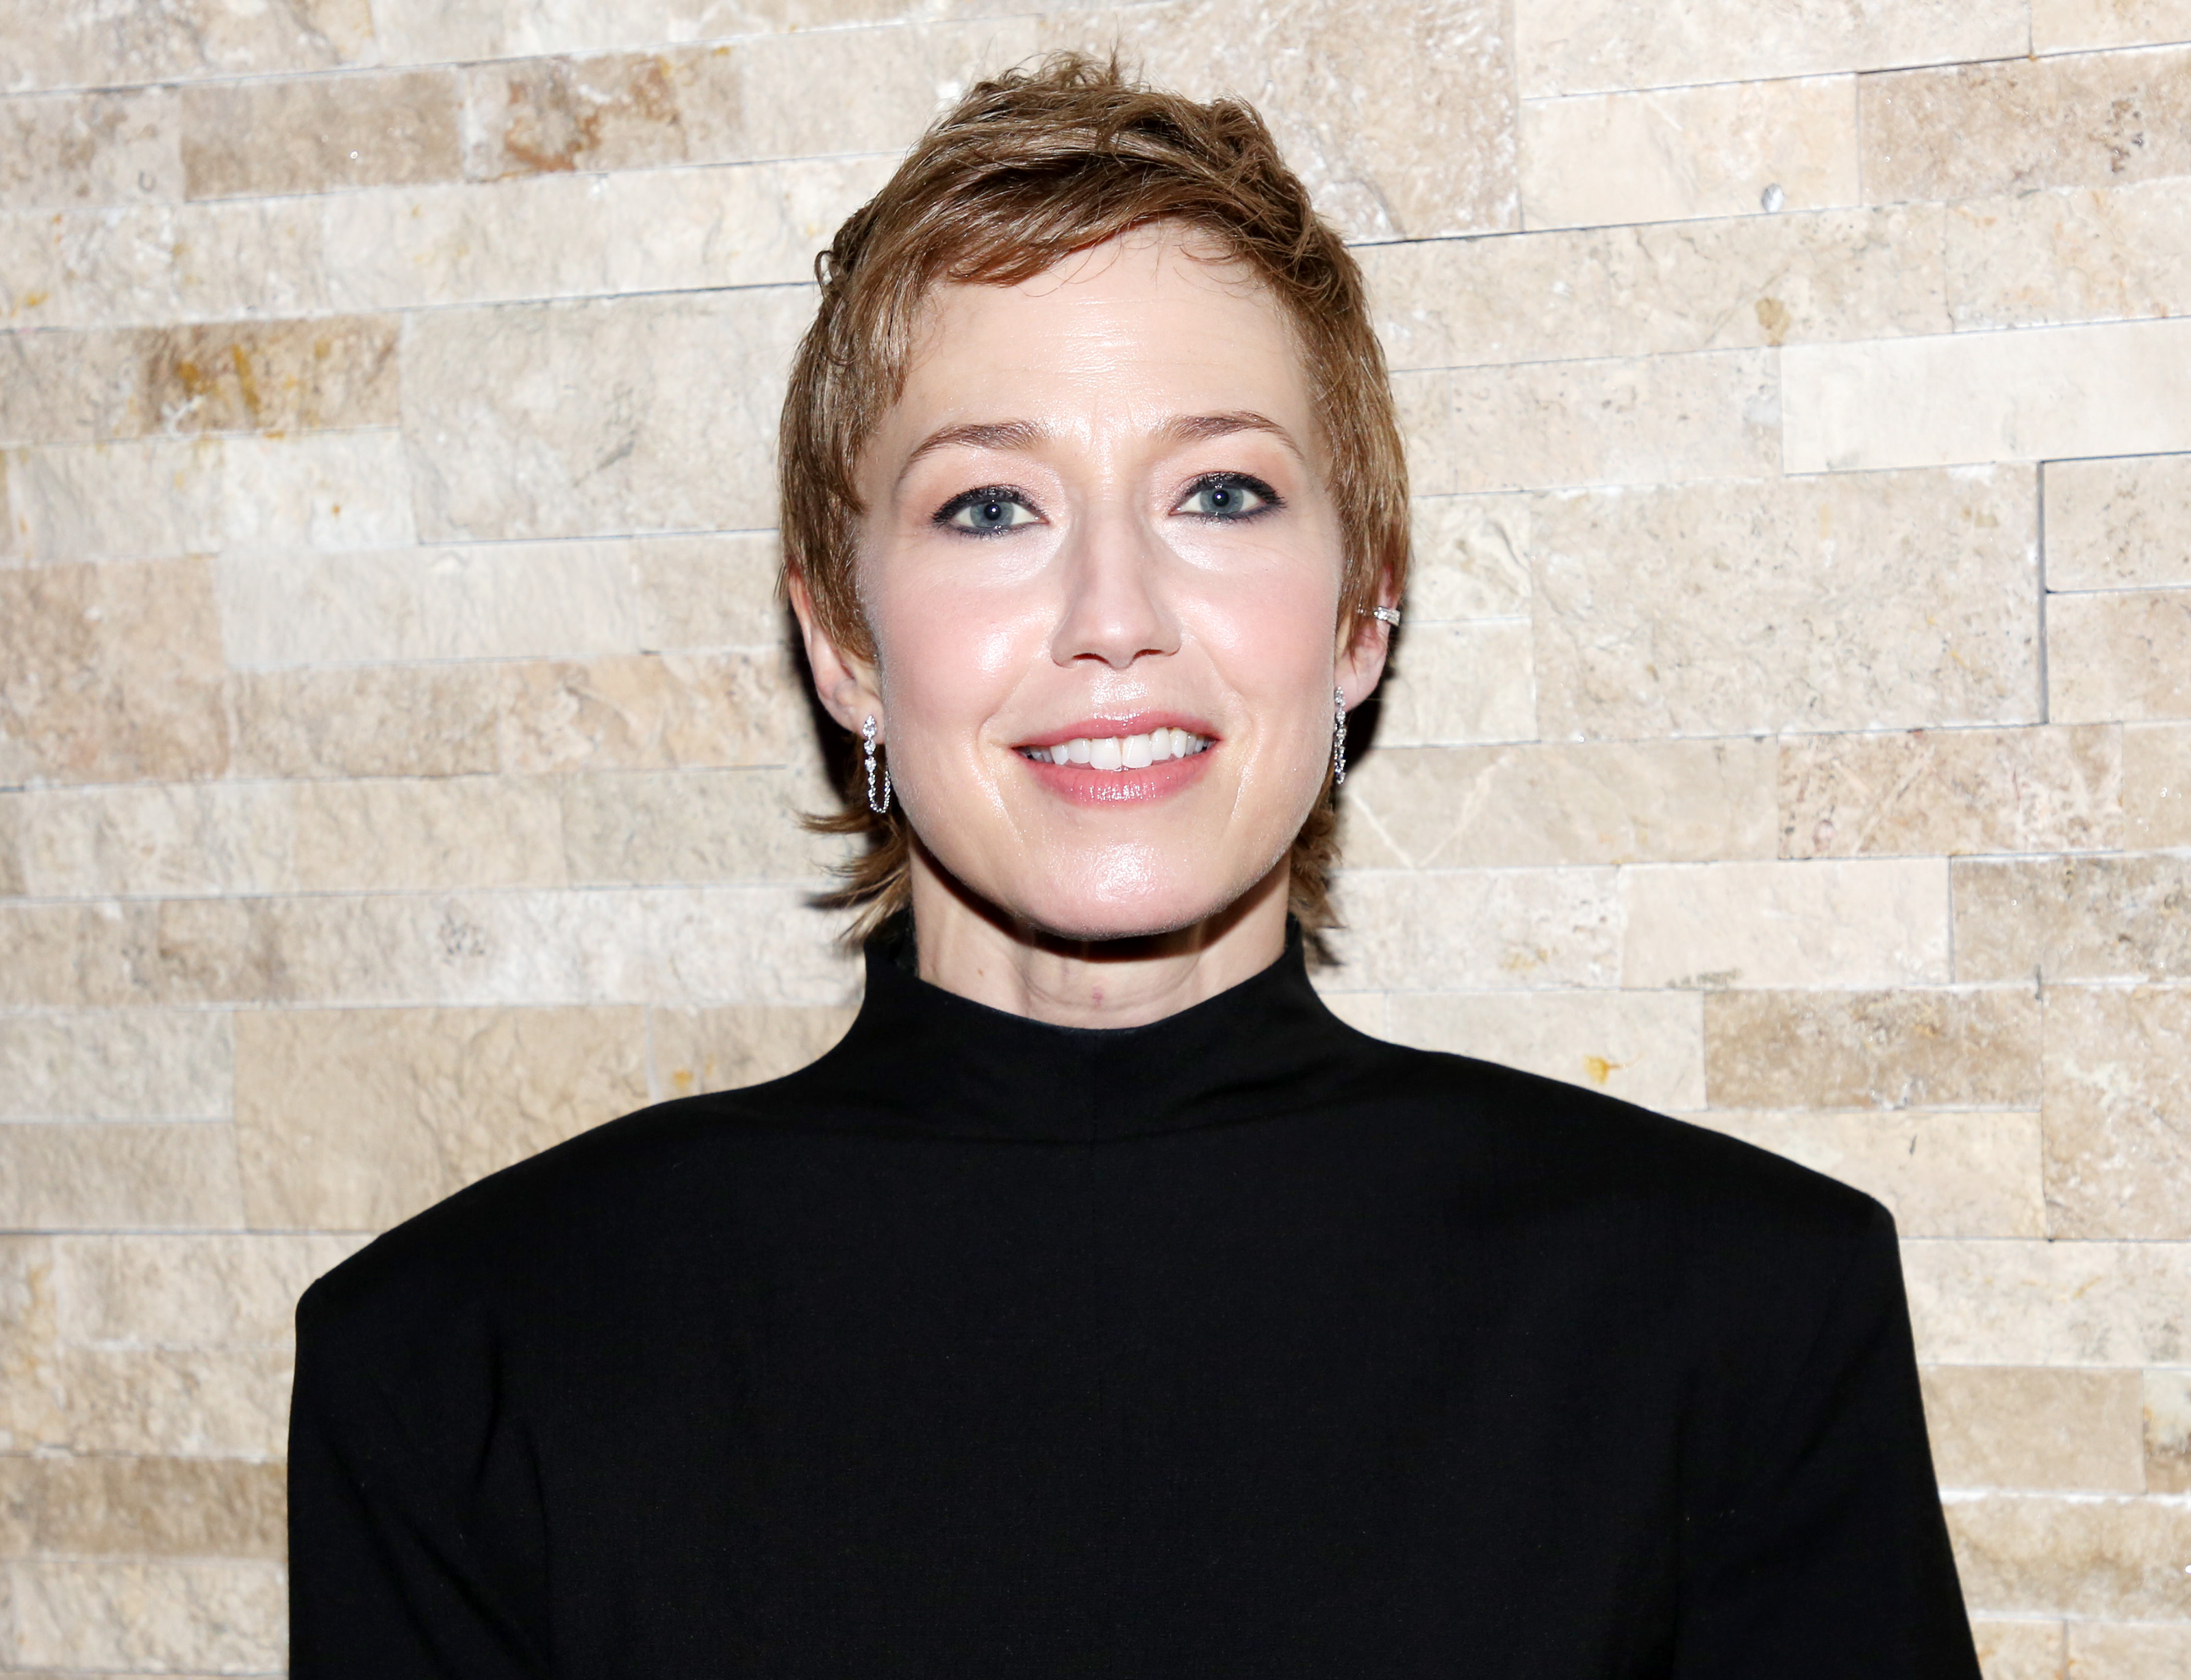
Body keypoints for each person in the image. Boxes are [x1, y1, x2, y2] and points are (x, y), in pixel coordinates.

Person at [287, 54, 1981, 1678]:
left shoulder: (1737, 1322)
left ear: (1362, 612)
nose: (1114, 618)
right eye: (989, 508)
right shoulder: (462, 1359)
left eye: (1221, 493)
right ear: (843, 644)